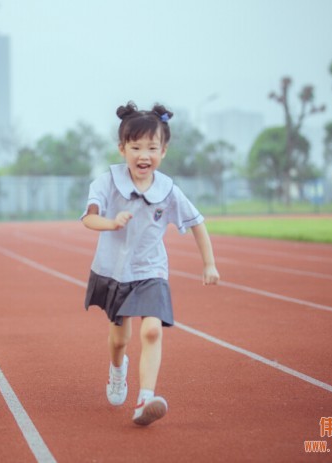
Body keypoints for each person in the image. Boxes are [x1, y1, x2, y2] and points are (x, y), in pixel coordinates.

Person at [82, 101, 220, 426]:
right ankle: (118, 371)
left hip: (151, 271)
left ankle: (145, 398)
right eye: (136, 147)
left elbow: (197, 222)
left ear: (164, 151)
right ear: (122, 148)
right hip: (114, 271)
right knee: (120, 339)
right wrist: (112, 222)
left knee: (153, 330)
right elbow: (89, 219)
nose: (144, 155)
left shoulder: (168, 190)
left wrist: (209, 264)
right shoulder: (107, 182)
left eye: (152, 147)